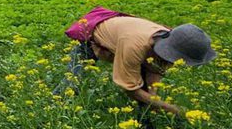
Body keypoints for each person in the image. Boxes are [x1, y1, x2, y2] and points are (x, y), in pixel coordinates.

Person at [61, 7, 216, 116]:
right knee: (71, 84)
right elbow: (130, 88)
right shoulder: (134, 45)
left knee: (147, 96)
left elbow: (155, 69)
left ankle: (145, 124)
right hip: (92, 38)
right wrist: (172, 109)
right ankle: (58, 113)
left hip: (125, 35)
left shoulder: (171, 37)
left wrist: (154, 98)